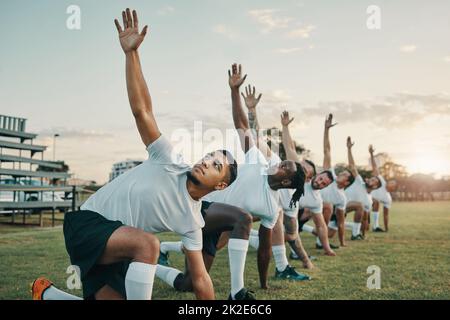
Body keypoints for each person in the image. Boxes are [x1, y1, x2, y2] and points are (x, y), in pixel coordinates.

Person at [31, 9, 238, 301]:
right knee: (149, 244)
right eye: (209, 155)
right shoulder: (168, 159)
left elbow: (201, 278)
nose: (206, 161)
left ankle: (47, 294)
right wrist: (131, 54)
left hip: (119, 247)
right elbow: (143, 111)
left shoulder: (192, 222)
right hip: (88, 224)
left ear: (220, 185)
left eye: (216, 164)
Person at [319, 115, 355, 248]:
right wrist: (326, 129)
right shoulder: (330, 177)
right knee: (327, 206)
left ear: (346, 183)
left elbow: (341, 222)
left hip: (320, 214)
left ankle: (321, 240)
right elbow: (327, 151)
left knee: (329, 233)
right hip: (307, 205)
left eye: (344, 174)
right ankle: (320, 239)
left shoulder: (342, 198)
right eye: (342, 172)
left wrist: (342, 242)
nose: (340, 173)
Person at [368, 145, 396, 232]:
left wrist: (386, 229)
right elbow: (375, 167)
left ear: (393, 188)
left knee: (364, 227)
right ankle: (375, 226)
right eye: (390, 181)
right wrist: (372, 154)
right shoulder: (382, 181)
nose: (389, 182)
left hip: (369, 206)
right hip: (364, 198)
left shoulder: (388, 199)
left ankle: (374, 227)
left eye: (392, 183)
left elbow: (386, 214)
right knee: (376, 202)